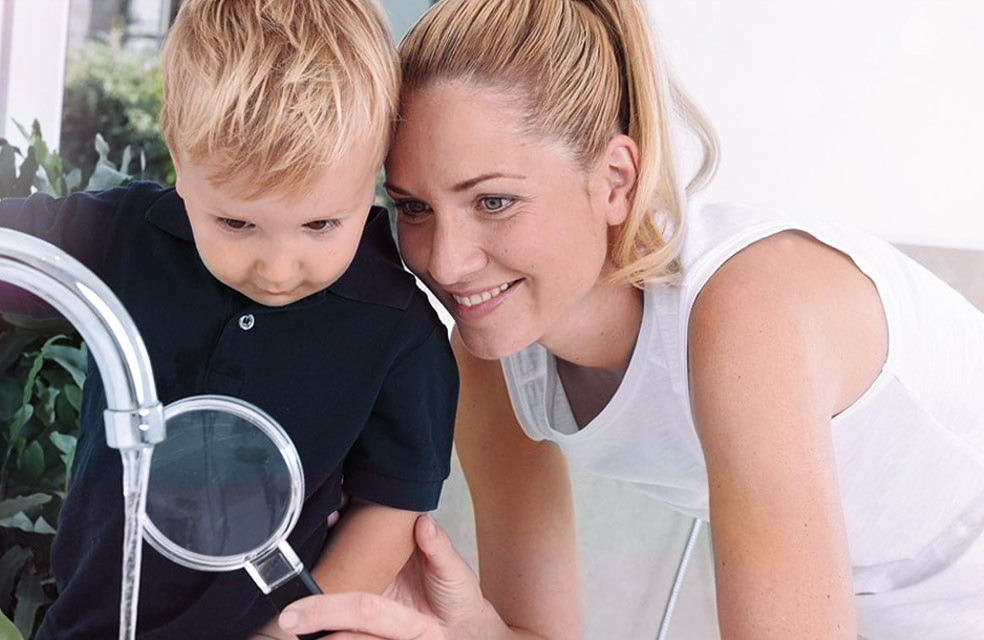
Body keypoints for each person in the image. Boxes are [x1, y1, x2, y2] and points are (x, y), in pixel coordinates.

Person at [276, 1, 984, 639]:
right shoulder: (488, 357)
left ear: (615, 180)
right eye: (414, 207)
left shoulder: (746, 308)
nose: (448, 262)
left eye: (493, 201)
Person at [0, 1, 458, 638]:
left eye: (320, 224)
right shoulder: (130, 237)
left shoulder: (398, 328)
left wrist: (297, 632)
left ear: (374, 171)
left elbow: (391, 506)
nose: (278, 267)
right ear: (178, 154)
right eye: (236, 222)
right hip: (93, 624)